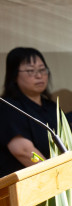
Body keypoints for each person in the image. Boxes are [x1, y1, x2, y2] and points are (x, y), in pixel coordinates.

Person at [1, 47, 61, 177]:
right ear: (14, 75)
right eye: (30, 71)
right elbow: (23, 151)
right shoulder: (8, 107)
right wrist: (56, 177)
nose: (39, 75)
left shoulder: (52, 107)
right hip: (29, 182)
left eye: (42, 70)